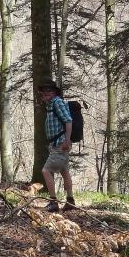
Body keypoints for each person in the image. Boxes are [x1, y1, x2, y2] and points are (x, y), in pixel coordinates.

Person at [38, 81, 75, 212]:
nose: (45, 94)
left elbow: (68, 120)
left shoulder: (57, 102)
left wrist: (67, 140)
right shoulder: (50, 105)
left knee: (46, 171)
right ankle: (70, 201)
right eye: (43, 92)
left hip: (60, 144)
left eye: (48, 91)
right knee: (65, 172)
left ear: (54, 93)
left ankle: (53, 202)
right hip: (56, 144)